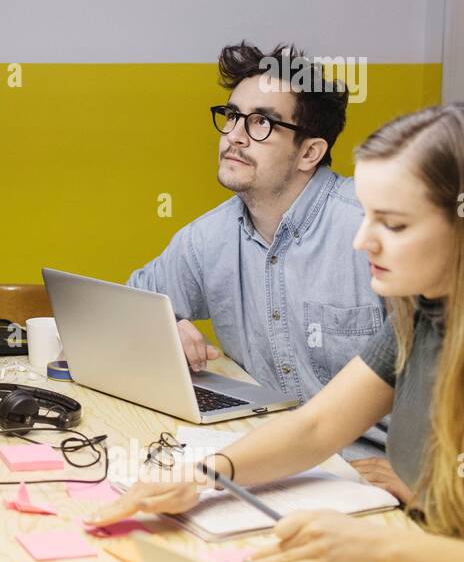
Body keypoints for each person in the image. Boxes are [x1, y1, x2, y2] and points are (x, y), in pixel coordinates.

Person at [91, 105, 464, 562]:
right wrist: (206, 474)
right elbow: (317, 428)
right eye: (368, 214)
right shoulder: (426, 311)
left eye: (395, 225)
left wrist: (387, 547)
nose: (362, 240)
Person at [128, 41, 387, 459]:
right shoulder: (207, 237)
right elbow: (126, 305)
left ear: (309, 152)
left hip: (370, 469)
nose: (233, 136)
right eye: (232, 116)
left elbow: (458, 378)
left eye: (261, 123)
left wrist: (416, 475)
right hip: (262, 455)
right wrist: (162, 327)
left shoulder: (374, 228)